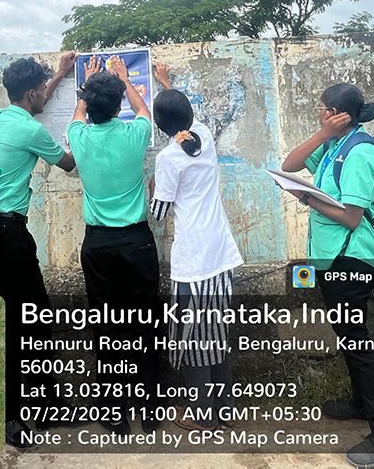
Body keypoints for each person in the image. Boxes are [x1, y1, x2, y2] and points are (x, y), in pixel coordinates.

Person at [279, 84, 374, 468]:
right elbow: (289, 165)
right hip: (331, 259)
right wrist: (323, 133)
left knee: (357, 342)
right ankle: (361, 404)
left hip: (351, 260)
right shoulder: (335, 145)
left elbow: (351, 216)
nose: (317, 113)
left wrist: (305, 198)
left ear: (335, 112)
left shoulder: (361, 152)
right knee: (348, 337)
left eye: (321, 109)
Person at [0, 53, 78, 446]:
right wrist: (86, 128)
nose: (42, 96)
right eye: (40, 91)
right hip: (9, 235)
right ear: (32, 93)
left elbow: (36, 101)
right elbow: (67, 163)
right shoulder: (32, 131)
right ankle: (16, 416)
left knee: (16, 321)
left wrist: (60, 73)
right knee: (29, 322)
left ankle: (44, 406)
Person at [149, 63, 244, 433]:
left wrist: (154, 182)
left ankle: (201, 414)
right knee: (216, 334)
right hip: (220, 252)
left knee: (192, 340)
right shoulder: (203, 134)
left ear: (159, 126)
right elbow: (187, 115)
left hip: (193, 262)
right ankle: (224, 409)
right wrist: (166, 83)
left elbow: (159, 212)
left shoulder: (168, 158)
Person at [67, 55, 159, 432]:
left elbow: (77, 115)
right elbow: (144, 111)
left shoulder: (79, 137)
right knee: (145, 324)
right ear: (120, 105)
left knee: (107, 329)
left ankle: (113, 411)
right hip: (137, 241)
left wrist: (88, 84)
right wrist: (125, 79)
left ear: (90, 106)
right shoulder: (135, 134)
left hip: (98, 245)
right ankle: (150, 408)